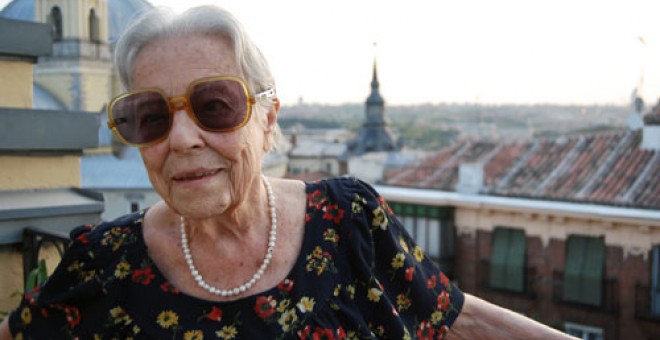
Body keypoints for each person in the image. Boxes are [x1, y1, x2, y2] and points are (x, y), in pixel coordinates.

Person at [0, 5, 574, 339]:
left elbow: (455, 318)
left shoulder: (348, 221)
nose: (180, 139)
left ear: (267, 116)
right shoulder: (103, 264)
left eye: (214, 106)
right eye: (148, 117)